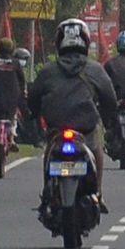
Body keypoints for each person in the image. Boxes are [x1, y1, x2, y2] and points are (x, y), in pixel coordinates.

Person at [28, 18, 117, 213]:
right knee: (97, 150)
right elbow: (110, 98)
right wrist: (110, 120)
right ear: (85, 41)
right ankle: (98, 193)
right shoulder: (95, 69)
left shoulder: (48, 70)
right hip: (85, 129)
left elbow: (33, 98)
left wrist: (33, 114)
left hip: (56, 129)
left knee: (50, 153)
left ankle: (47, 190)